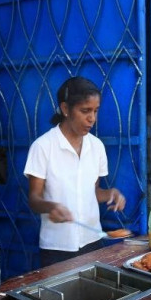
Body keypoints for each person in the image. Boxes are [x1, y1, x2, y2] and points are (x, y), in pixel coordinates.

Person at [23, 76, 126, 267]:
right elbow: (34, 199)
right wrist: (51, 207)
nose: (92, 118)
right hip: (56, 248)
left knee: (93, 297)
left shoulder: (96, 147)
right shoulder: (43, 147)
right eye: (85, 111)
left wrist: (110, 193)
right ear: (65, 109)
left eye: (95, 111)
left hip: (92, 241)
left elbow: (93, 192)